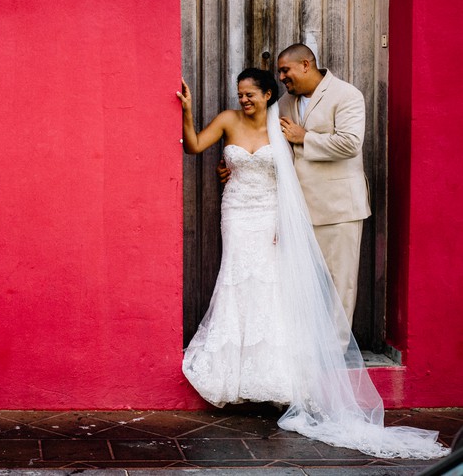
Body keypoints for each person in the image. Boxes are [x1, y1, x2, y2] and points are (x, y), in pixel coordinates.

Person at [177, 68, 449, 459]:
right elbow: (193, 146)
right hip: (236, 212)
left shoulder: (281, 126)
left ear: (269, 95)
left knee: (270, 285)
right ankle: (231, 373)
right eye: (241, 94)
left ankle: (275, 377)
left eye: (251, 94)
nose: (244, 100)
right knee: (236, 279)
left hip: (271, 215)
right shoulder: (227, 119)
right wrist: (187, 111)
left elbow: (293, 179)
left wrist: (284, 224)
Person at [220, 44, 368, 347]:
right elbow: (264, 143)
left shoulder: (346, 95)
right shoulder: (284, 104)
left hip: (338, 208)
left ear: (305, 64)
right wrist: (234, 166)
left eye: (285, 71)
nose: (282, 77)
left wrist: (305, 137)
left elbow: (351, 144)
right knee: (300, 284)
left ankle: (335, 351)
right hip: (294, 210)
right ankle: (304, 349)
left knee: (340, 285)